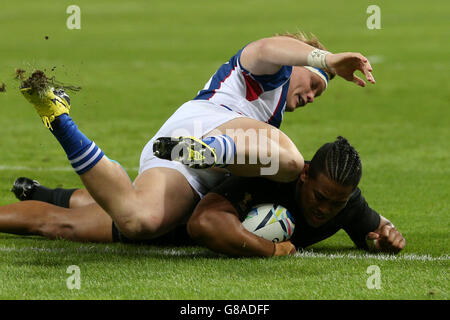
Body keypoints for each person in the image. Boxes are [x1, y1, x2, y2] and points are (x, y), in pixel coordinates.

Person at [9, 32, 375, 244]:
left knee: (138, 221)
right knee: (291, 163)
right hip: (208, 125)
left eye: (318, 95)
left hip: (185, 156)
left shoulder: (270, 114)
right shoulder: (267, 74)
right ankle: (211, 151)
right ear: (299, 65)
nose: (311, 96)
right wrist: (325, 60)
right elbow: (268, 47)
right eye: (313, 84)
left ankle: (58, 117)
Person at [4, 137, 405, 257]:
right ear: (304, 176)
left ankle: (40, 191)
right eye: (320, 196)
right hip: (173, 219)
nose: (325, 208)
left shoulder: (345, 201)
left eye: (336, 203)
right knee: (58, 225)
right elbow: (204, 224)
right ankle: (37, 202)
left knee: (91, 205)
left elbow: (374, 231)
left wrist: (386, 238)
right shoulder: (271, 181)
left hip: (180, 205)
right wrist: (271, 251)